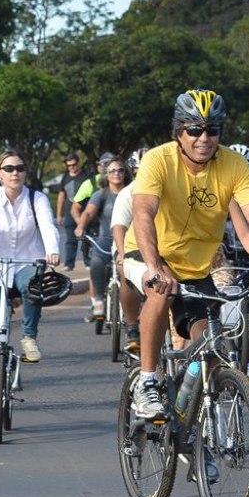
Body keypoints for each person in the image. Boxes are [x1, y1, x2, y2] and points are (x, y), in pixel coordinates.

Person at [122, 89, 249, 420]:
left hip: (196, 269)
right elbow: (143, 214)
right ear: (178, 132)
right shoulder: (158, 159)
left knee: (209, 350)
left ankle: (201, 434)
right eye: (194, 130)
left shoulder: (233, 164)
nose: (204, 138)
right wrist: (155, 266)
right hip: (145, 253)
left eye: (212, 129)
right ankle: (147, 381)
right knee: (161, 291)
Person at [0, 151, 61, 419]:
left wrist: (52, 250)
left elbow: (48, 226)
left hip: (26, 262)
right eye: (9, 168)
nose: (15, 173)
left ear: (25, 172)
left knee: (34, 284)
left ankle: (29, 336)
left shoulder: (36, 198)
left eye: (20, 168)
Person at [74, 156, 129, 322]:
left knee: (129, 272)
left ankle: (133, 308)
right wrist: (81, 226)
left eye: (120, 170)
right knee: (97, 262)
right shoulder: (101, 194)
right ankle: (98, 300)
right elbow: (88, 212)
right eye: (112, 171)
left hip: (129, 241)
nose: (116, 174)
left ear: (125, 173)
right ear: (106, 175)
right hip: (106, 239)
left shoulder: (132, 192)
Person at [111, 148, 148, 354]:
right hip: (129, 247)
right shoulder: (128, 192)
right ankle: (133, 325)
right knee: (127, 274)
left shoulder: (165, 188)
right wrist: (123, 255)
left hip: (160, 247)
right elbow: (119, 226)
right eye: (139, 170)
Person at [56, 152, 89, 271]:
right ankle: (69, 264)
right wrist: (59, 214)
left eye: (74, 164)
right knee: (70, 239)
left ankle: (88, 262)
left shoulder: (86, 176)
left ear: (78, 163)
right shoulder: (65, 177)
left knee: (86, 238)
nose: (72, 167)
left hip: (84, 211)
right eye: (69, 165)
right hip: (69, 213)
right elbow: (61, 195)